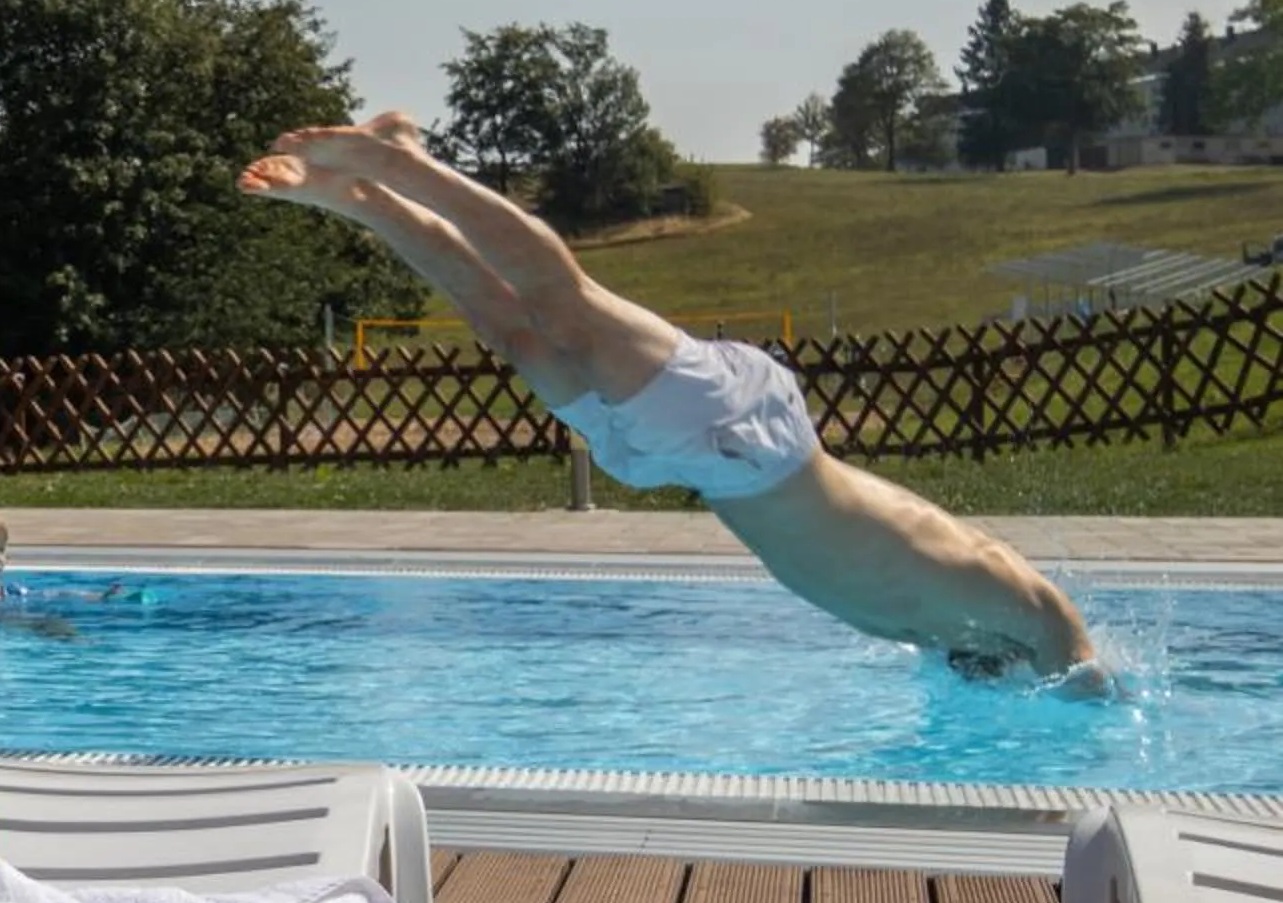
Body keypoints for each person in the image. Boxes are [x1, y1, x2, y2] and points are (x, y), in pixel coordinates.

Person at [240, 112, 1098, 681]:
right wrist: (1090, 683)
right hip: (747, 437)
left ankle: (364, 202)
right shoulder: (1017, 602)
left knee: (516, 335)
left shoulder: (954, 639)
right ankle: (406, 164)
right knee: (562, 301)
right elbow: (1063, 629)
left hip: (684, 463)